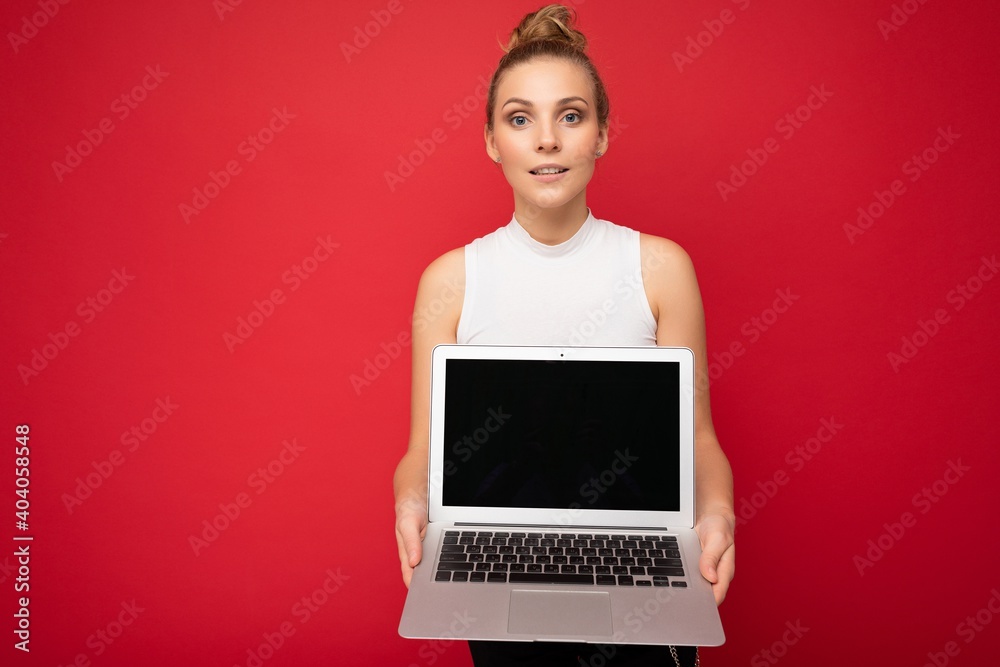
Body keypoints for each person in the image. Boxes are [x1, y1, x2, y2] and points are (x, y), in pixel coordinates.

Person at [393, 5, 735, 665]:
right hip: (497, 562)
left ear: (602, 134)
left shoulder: (661, 267)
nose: (546, 140)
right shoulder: (451, 279)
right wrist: (412, 504)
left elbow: (701, 440)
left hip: (639, 567)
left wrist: (716, 515)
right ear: (493, 141)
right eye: (520, 119)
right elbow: (421, 451)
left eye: (571, 115)